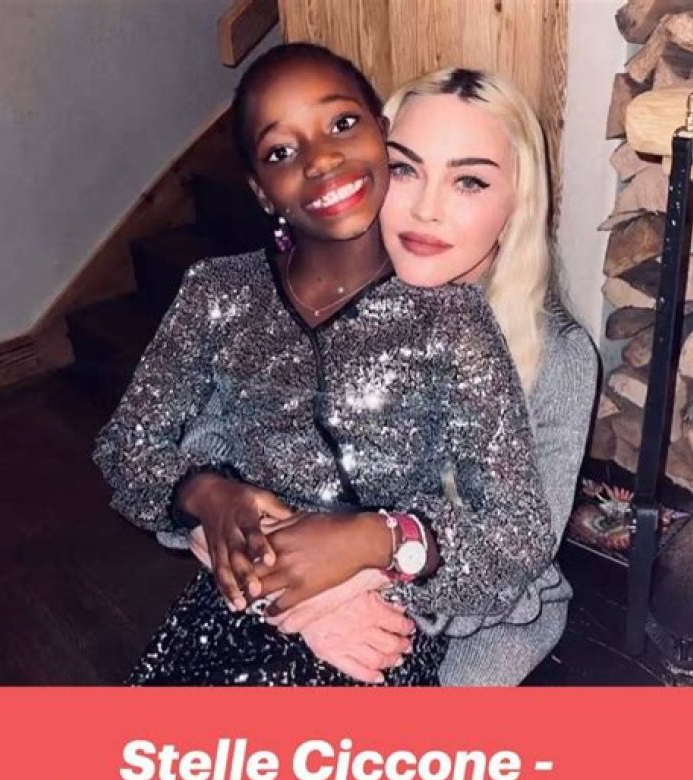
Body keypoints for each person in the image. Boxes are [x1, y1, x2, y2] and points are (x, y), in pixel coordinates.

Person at [93, 45, 554, 686]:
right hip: (233, 601)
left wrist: (378, 538)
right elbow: (124, 447)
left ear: (381, 135)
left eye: (341, 123)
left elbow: (518, 535)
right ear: (261, 191)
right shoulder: (217, 293)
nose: (320, 158)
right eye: (282, 151)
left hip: (377, 629)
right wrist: (205, 494)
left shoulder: (451, 319)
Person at [271, 66, 599, 686]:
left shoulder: (558, 358)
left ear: (517, 206)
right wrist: (297, 594)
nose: (426, 209)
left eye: (468, 181)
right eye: (404, 169)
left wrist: (340, 582)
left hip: (475, 615)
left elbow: (509, 566)